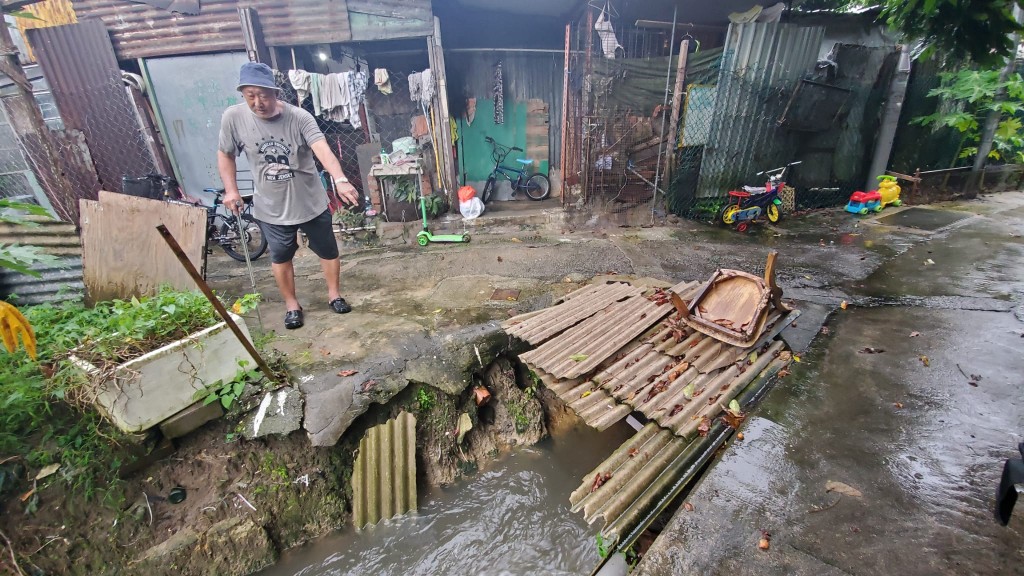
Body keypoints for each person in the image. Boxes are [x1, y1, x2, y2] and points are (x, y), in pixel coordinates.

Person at [217, 62, 358, 330]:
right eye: (250, 96)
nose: (258, 102)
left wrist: (340, 179)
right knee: (280, 256)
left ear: (275, 92)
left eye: (264, 95)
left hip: (310, 201)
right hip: (271, 206)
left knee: (328, 250)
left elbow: (322, 148)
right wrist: (231, 189)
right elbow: (225, 154)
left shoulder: (299, 117)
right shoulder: (233, 118)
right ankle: (292, 304)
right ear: (243, 95)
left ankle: (334, 295)